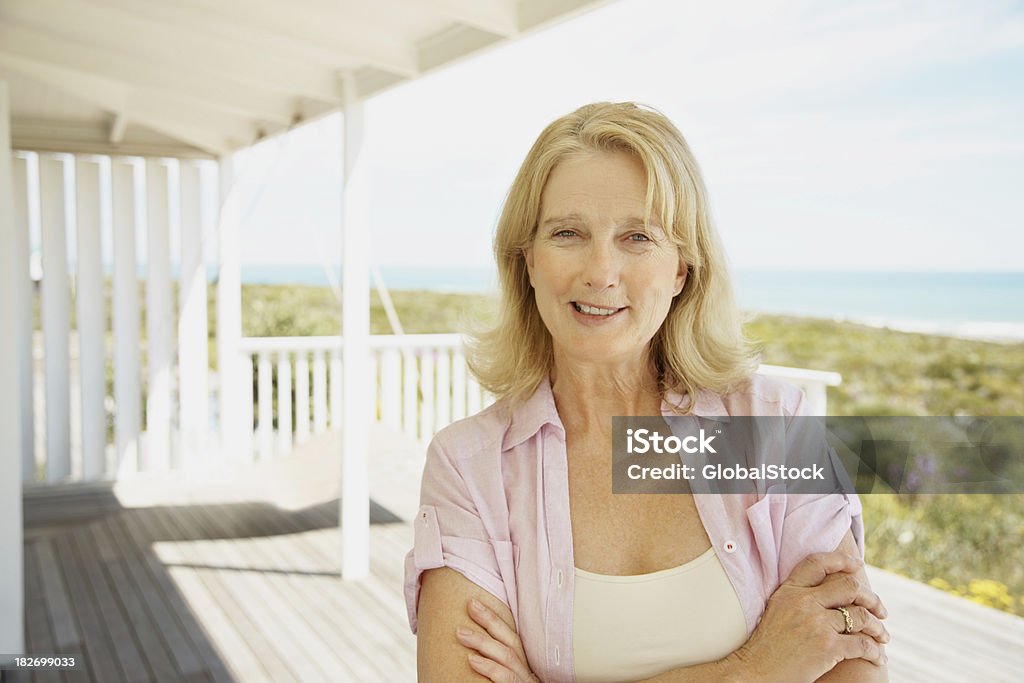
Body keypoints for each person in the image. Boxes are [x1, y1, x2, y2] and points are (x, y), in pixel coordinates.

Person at [404, 102, 889, 682]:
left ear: (682, 267)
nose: (601, 271)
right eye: (568, 233)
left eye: (637, 236)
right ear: (527, 260)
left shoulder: (775, 427)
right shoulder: (468, 468)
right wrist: (756, 668)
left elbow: (849, 666)